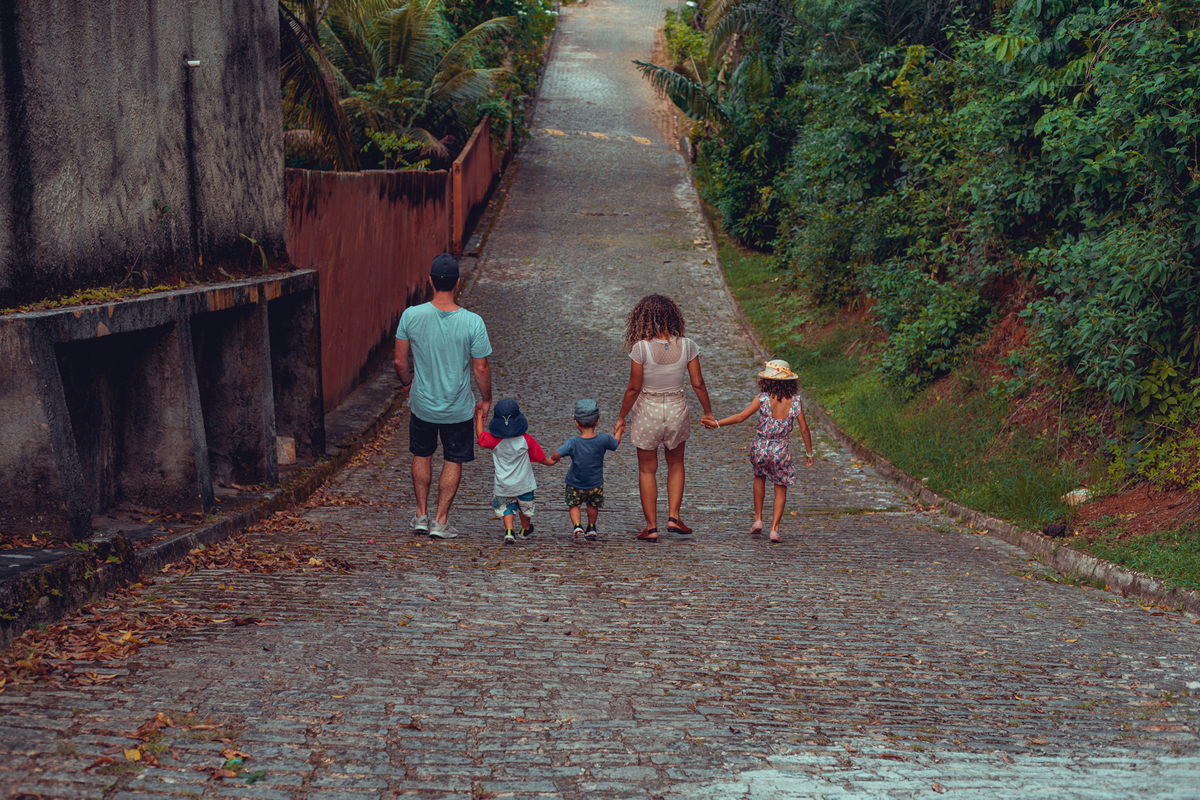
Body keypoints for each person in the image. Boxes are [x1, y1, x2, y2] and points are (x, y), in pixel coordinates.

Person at [394, 253, 492, 539]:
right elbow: (481, 368)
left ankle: (421, 515)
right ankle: (440, 520)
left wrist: (407, 384)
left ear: (430, 281)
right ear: (457, 282)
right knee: (452, 459)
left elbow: (399, 361)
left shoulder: (411, 316)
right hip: (458, 407)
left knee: (421, 454)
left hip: (423, 404)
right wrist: (486, 399)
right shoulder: (473, 322)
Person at [613, 294, 715, 542]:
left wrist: (621, 417)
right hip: (677, 410)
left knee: (647, 470)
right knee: (676, 463)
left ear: (643, 319)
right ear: (673, 317)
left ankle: (651, 528)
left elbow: (634, 388)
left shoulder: (640, 349)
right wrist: (708, 412)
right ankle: (674, 517)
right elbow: (698, 383)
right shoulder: (688, 346)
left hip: (647, 412)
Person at [704, 360, 814, 542]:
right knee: (781, 486)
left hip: (760, 447)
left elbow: (741, 417)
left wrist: (717, 423)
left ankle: (758, 519)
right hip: (780, 449)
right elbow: (804, 429)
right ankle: (774, 529)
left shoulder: (762, 399)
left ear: (766, 380)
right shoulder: (795, 402)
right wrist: (809, 452)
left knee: (759, 477)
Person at [542, 399, 622, 540]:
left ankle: (577, 525)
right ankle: (591, 527)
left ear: (576, 422)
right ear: (597, 421)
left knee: (574, 505)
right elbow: (615, 443)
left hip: (575, 483)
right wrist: (619, 432)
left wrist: (553, 459)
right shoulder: (603, 439)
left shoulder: (573, 442)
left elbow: (556, 454)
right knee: (592, 505)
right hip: (595, 484)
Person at [474, 399, 548, 544]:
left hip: (503, 484)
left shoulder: (493, 440)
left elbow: (480, 436)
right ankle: (525, 529)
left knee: (506, 507)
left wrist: (480, 417)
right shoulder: (526, 439)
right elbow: (540, 457)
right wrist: (552, 461)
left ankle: (509, 531)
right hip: (524, 484)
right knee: (525, 508)